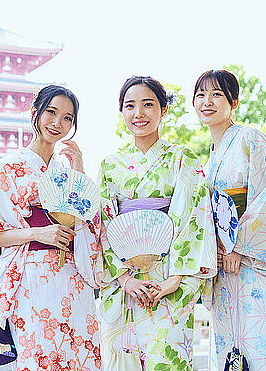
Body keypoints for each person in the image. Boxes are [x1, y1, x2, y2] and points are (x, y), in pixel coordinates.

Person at [0, 85, 102, 371]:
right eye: (51, 112)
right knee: (39, 357)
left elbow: (87, 219)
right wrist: (38, 233)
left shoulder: (66, 171)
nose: (58, 123)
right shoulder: (8, 168)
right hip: (30, 277)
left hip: (72, 275)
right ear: (35, 112)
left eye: (68, 118)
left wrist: (79, 167)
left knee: (77, 354)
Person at [98, 76, 217, 370]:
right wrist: (124, 280)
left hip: (170, 275)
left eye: (148, 104)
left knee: (168, 359)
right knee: (122, 361)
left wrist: (174, 279)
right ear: (122, 112)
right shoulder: (110, 164)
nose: (139, 113)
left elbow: (193, 217)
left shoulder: (182, 157)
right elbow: (103, 223)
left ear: (163, 110)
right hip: (126, 282)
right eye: (130, 106)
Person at [193, 69, 266, 370]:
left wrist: (238, 246)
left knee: (264, 347)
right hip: (223, 269)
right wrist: (213, 248)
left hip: (254, 264)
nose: (207, 101)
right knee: (231, 352)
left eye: (217, 94)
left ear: (234, 102)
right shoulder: (210, 159)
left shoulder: (250, 138)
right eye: (201, 95)